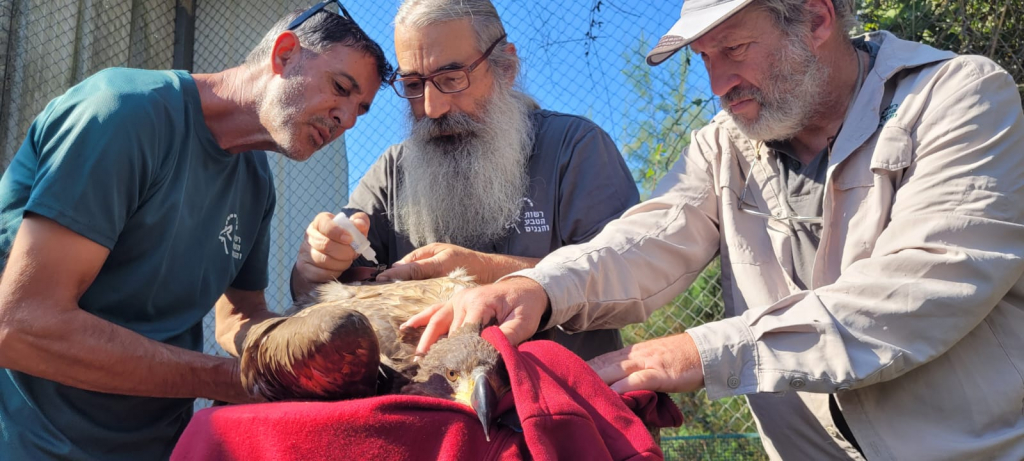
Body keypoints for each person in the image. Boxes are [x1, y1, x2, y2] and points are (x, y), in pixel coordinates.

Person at [404, 0, 1024, 459]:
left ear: (815, 16)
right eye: (703, 59)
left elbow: (926, 286)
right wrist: (541, 288)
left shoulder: (957, 97)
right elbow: (649, 239)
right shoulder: (725, 144)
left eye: (734, 50)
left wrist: (703, 351)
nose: (718, 84)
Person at [0, 4, 392, 460]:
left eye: (360, 110)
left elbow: (239, 318)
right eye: (341, 89)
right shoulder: (125, 113)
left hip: (164, 445)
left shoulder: (256, 184)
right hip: (36, 443)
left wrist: (308, 351)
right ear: (284, 54)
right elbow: (21, 326)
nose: (346, 119)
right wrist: (234, 380)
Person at [290, 0, 639, 361]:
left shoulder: (573, 147)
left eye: (452, 80)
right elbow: (317, 293)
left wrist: (489, 272)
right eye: (413, 84)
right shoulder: (393, 171)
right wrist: (313, 266)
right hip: (423, 406)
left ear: (506, 68)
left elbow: (630, 282)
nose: (431, 108)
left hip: (557, 404)